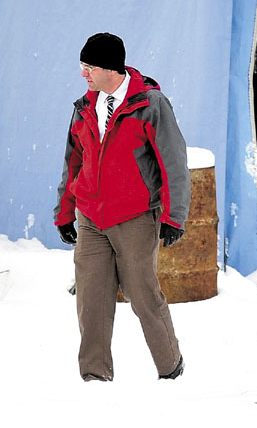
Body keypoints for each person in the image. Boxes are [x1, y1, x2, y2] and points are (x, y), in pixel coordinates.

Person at [54, 32, 190, 382]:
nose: (84, 74)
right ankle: (94, 377)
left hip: (134, 217)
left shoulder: (149, 103)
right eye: (82, 66)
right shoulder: (84, 107)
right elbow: (74, 162)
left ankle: (170, 367)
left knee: (142, 295)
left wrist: (175, 217)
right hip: (91, 218)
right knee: (91, 299)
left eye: (89, 67)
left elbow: (172, 162)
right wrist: (65, 211)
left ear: (111, 69)